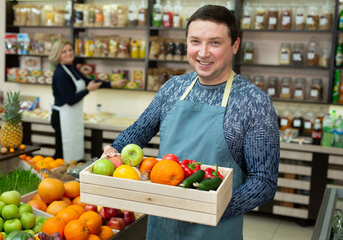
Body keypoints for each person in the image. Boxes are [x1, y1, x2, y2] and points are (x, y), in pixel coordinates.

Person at [102, 5, 280, 240]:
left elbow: (264, 181)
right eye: (195, 41)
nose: (203, 52)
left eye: (215, 43)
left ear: (234, 45)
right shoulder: (173, 87)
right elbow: (139, 131)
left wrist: (211, 208)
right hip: (162, 223)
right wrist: (115, 150)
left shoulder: (253, 102)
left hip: (215, 227)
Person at [49, 39, 126, 162]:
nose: (69, 53)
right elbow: (70, 100)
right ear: (58, 55)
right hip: (62, 117)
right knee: (62, 153)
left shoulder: (71, 69)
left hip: (71, 116)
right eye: (64, 51)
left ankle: (70, 173)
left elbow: (89, 82)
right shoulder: (60, 74)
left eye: (70, 50)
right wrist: (87, 90)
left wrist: (112, 83)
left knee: (72, 149)